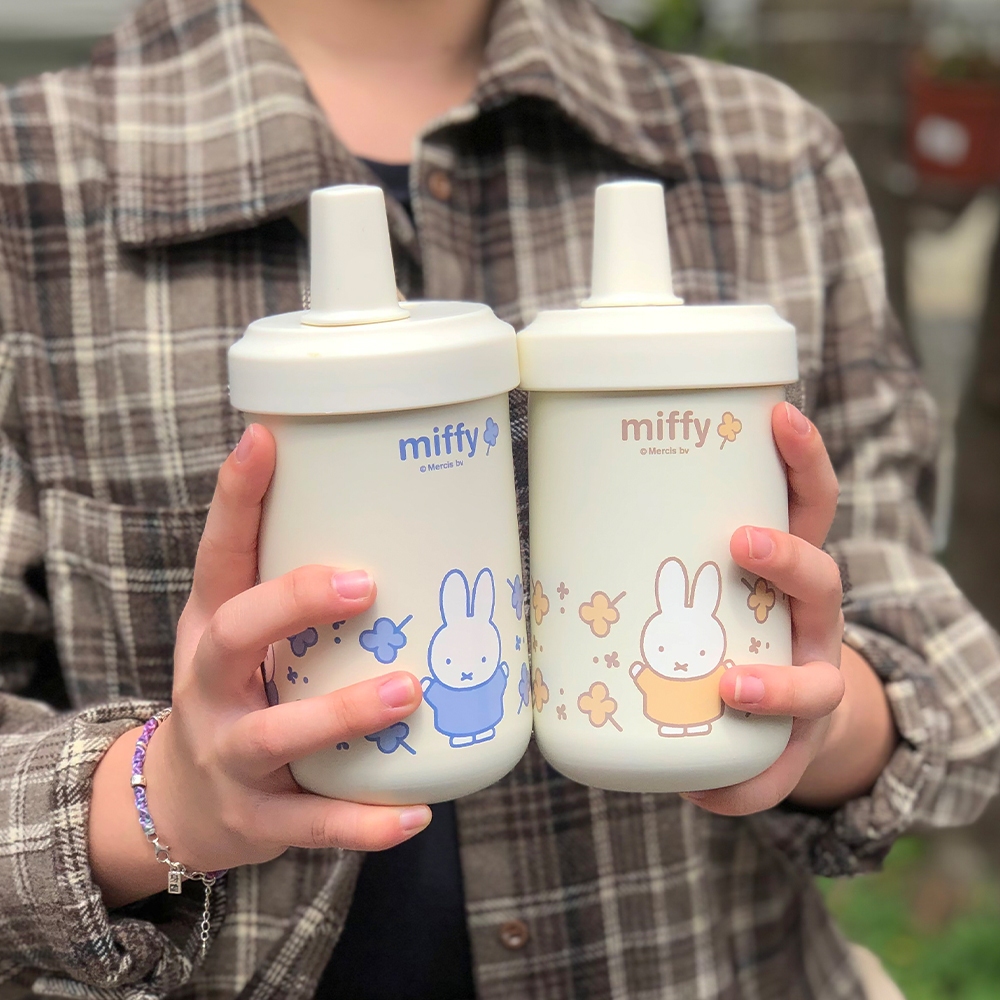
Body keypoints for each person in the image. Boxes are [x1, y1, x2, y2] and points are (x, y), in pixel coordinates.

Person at [0, 0, 997, 998]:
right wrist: (165, 797)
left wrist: (816, 714)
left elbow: (951, 685)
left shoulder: (765, 152)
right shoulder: (32, 174)